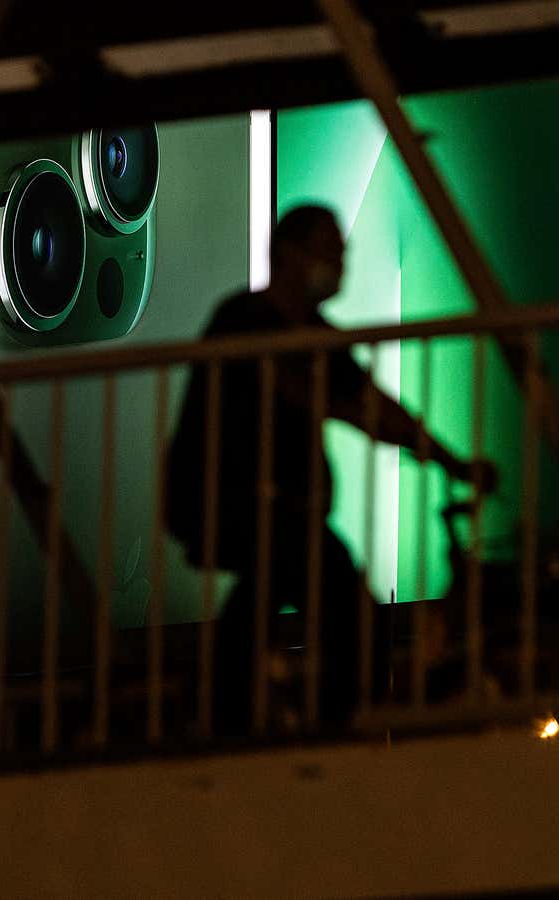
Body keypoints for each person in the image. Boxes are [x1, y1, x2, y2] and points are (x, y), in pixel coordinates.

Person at [165, 204, 495, 733]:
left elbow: (374, 402)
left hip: (279, 511)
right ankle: (336, 723)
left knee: (266, 604)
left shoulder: (314, 335)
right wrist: (371, 423)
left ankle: (228, 712)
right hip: (239, 502)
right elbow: (310, 393)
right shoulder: (244, 321)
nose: (339, 262)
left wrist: (450, 459)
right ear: (288, 254)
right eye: (328, 249)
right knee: (344, 608)